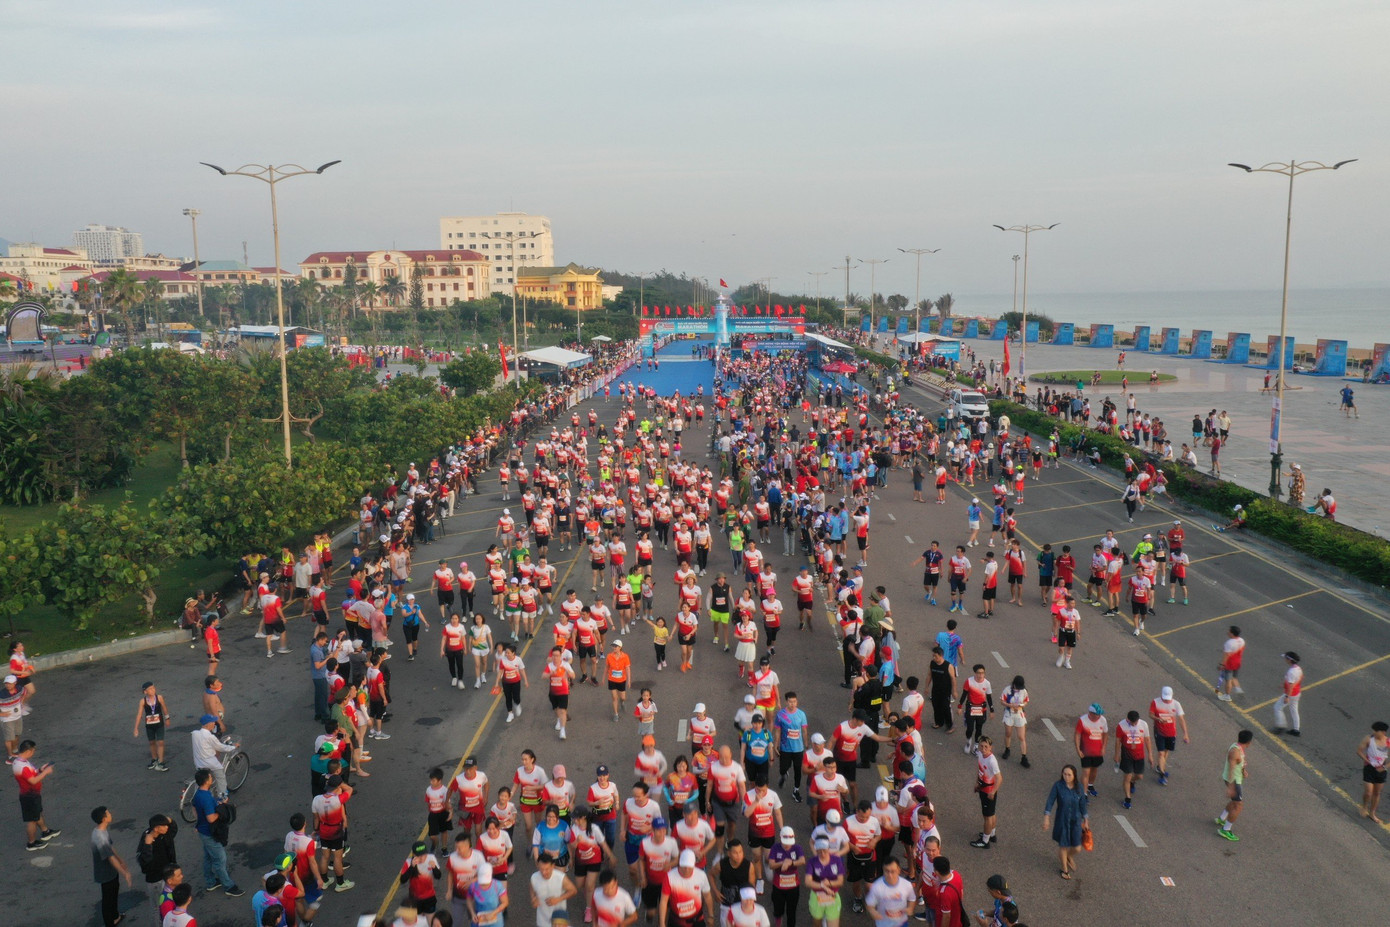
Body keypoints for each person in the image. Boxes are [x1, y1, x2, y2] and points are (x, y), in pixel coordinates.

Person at [192, 767, 243, 896]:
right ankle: (228, 886)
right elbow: (211, 818)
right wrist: (222, 810)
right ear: (206, 780)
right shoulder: (207, 798)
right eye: (210, 777)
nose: (212, 778)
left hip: (203, 831)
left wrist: (199, 822)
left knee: (208, 856)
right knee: (220, 859)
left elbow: (194, 808)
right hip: (210, 833)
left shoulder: (199, 794)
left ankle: (210, 882)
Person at [1042, 765, 1088, 880]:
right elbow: (1050, 801)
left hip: (1076, 820)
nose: (1066, 777)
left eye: (1069, 775)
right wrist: (1046, 817)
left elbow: (1082, 804)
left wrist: (1086, 819)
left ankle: (1068, 856)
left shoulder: (1079, 787)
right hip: (1062, 820)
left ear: (1074, 776)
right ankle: (1064, 869)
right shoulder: (1058, 786)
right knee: (1063, 845)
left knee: (1077, 847)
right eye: (1064, 774)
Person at [13, 739, 58, 851]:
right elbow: (32, 781)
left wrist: (40, 770)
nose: (33, 753)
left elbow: (31, 774)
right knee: (32, 820)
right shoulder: (22, 766)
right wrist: (45, 772)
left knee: (37, 814)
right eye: (33, 751)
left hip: (30, 795)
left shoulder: (20, 761)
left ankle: (45, 831)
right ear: (28, 751)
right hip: (30, 796)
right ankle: (31, 843)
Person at [90, 805, 132, 927]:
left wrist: (121, 860)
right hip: (105, 873)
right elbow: (110, 857)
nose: (110, 814)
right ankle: (110, 923)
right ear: (104, 819)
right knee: (108, 899)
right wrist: (125, 873)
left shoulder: (101, 830)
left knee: (113, 893)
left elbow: (111, 848)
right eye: (108, 813)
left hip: (110, 872)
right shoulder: (100, 837)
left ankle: (115, 917)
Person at [1216, 730, 1254, 841]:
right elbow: (1231, 770)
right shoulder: (1235, 752)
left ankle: (1222, 818)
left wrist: (1243, 771)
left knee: (1234, 802)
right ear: (1249, 742)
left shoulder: (1238, 748)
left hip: (1236, 779)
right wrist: (1231, 787)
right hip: (1234, 781)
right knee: (1238, 805)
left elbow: (1239, 763)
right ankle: (1226, 830)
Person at [1113, 710, 1155, 810]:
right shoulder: (1121, 726)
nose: (1134, 724)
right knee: (1127, 776)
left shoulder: (1143, 725)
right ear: (1128, 719)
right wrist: (1117, 755)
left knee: (1139, 776)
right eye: (1132, 723)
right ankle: (1127, 799)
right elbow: (1118, 741)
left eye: (1135, 722)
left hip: (1139, 756)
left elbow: (1147, 740)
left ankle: (1132, 781)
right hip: (1127, 755)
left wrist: (1150, 755)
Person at [1148, 686, 1190, 785]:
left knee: (1166, 751)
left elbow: (1181, 719)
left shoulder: (1176, 704)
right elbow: (1150, 714)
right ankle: (1162, 775)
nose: (1166, 701)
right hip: (1159, 731)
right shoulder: (1155, 702)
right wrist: (1158, 719)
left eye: (1168, 698)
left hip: (1171, 733)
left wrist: (1185, 734)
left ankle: (1160, 767)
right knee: (1161, 753)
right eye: (1164, 698)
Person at [191, 714, 239, 799]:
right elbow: (221, 748)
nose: (214, 724)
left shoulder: (195, 734)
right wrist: (233, 746)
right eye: (213, 722)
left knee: (202, 780)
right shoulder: (210, 737)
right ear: (208, 724)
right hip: (210, 763)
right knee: (221, 777)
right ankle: (222, 796)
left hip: (199, 763)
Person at [968, 737, 1002, 849]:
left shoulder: (992, 761)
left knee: (987, 816)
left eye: (986, 747)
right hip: (983, 788)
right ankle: (992, 834)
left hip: (988, 791)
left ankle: (985, 841)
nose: (983, 749)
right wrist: (977, 783)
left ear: (990, 748)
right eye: (981, 746)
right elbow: (980, 770)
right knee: (990, 814)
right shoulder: (979, 754)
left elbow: (999, 778)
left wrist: (993, 792)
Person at [804, 837, 845, 927]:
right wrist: (823, 885)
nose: (822, 854)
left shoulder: (837, 860)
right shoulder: (812, 862)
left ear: (829, 849)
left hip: (833, 895)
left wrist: (829, 883)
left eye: (825, 851)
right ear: (816, 850)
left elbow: (840, 881)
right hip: (817, 896)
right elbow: (808, 882)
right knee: (816, 924)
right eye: (819, 851)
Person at [530, 852, 578, 927]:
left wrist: (559, 899)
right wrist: (533, 898)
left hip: (559, 920)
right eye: (541, 869)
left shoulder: (561, 878)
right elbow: (532, 888)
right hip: (542, 920)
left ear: (553, 866)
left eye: (547, 869)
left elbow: (573, 890)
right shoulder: (534, 877)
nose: (543, 872)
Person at [132, 681, 171, 772]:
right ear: (145, 692)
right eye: (150, 689)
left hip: (159, 724)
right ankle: (154, 759)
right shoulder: (143, 701)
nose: (153, 690)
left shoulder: (159, 698)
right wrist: (136, 728)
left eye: (153, 688)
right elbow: (139, 714)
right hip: (149, 725)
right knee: (152, 742)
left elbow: (164, 708)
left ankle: (161, 761)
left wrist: (167, 718)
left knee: (160, 742)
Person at [863, 857, 913, 927]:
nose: (890, 875)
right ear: (883, 870)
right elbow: (869, 904)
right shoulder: (876, 886)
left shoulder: (906, 885)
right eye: (887, 871)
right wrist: (873, 912)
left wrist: (910, 907)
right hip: (883, 924)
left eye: (893, 871)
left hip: (901, 923)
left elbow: (912, 899)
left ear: (899, 870)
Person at [1357, 721, 1390, 824]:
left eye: (1376, 731)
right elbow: (1359, 750)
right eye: (1374, 730)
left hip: (1381, 770)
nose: (1374, 732)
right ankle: (1365, 806)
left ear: (1383, 732)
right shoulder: (1369, 739)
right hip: (1369, 769)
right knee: (1368, 792)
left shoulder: (1388, 742)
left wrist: (1384, 767)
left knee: (1377, 793)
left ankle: (1372, 813)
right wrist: (1366, 760)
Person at [1073, 704, 1107, 798]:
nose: (1099, 716)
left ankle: (1090, 785)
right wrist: (1078, 749)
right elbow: (1077, 735)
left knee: (1094, 770)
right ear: (1091, 713)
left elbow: (1105, 734)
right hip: (1085, 751)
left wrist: (1104, 747)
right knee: (1086, 772)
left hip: (1097, 752)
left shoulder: (1103, 720)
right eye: (1097, 714)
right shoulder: (1083, 721)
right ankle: (1084, 793)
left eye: (1100, 714)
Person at [999, 676, 1029, 768]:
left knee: (1021, 736)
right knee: (1008, 733)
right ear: (1014, 684)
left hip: (1019, 714)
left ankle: (1024, 757)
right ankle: (1007, 749)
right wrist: (1010, 705)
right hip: (1009, 713)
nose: (1019, 689)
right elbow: (1001, 701)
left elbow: (1026, 701)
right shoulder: (1007, 690)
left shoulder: (1023, 691)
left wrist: (1022, 705)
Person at [1273, 651, 1303, 737]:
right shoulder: (1298, 669)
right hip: (1297, 693)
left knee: (1277, 708)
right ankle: (1296, 729)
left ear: (1289, 660)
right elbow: (1298, 680)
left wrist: (1287, 696)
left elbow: (1291, 685)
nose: (1285, 659)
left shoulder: (1291, 672)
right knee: (1294, 711)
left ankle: (1281, 726)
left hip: (1291, 694)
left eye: (1286, 658)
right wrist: (1283, 684)